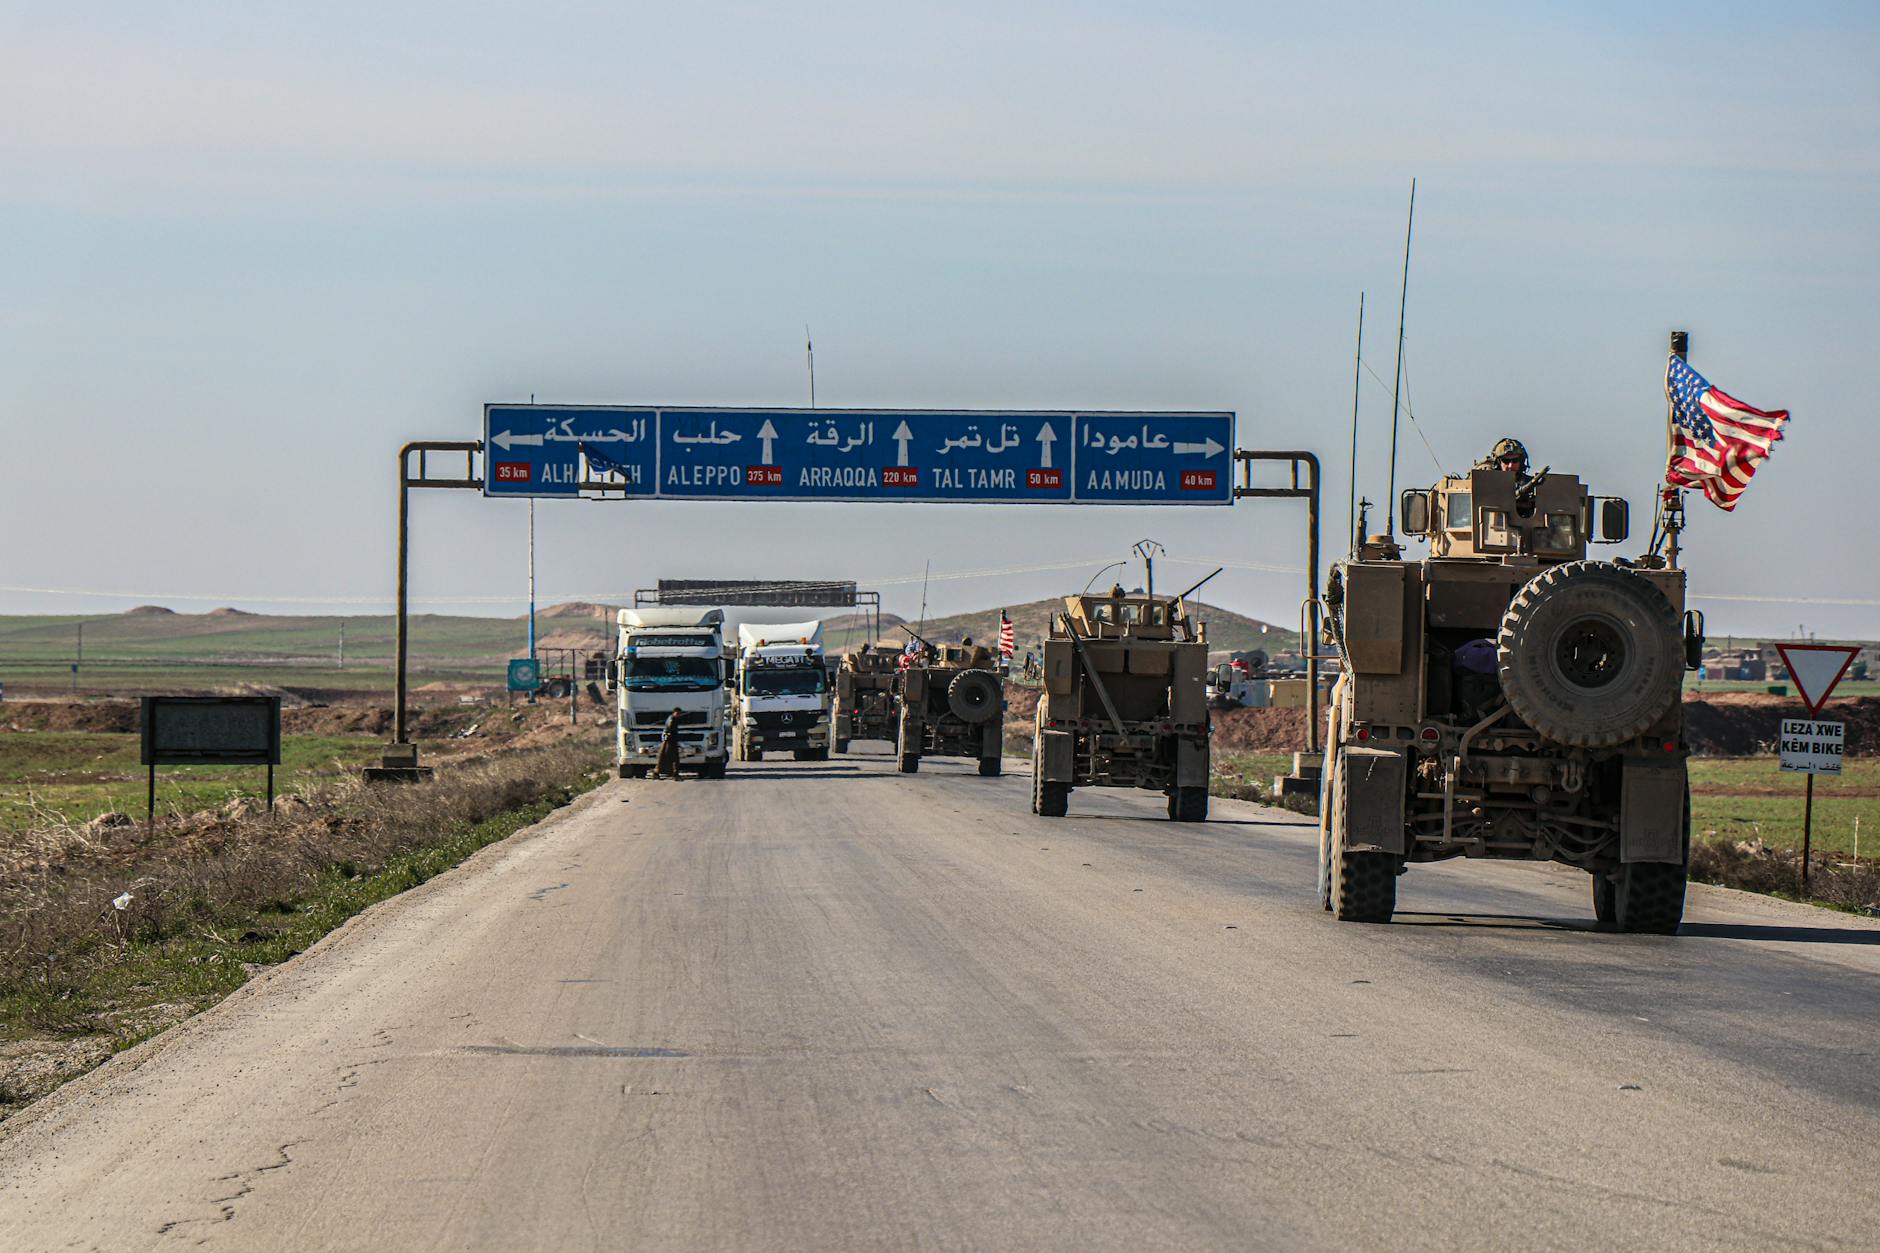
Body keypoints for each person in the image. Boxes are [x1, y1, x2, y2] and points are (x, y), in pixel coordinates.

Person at [654, 707, 684, 779]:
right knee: (672, 757)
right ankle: (674, 773)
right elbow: (669, 729)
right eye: (677, 713)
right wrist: (670, 736)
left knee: (665, 757)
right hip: (670, 740)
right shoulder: (672, 719)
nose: (678, 715)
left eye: (679, 714)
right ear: (674, 713)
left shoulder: (672, 718)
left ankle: (658, 772)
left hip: (669, 740)